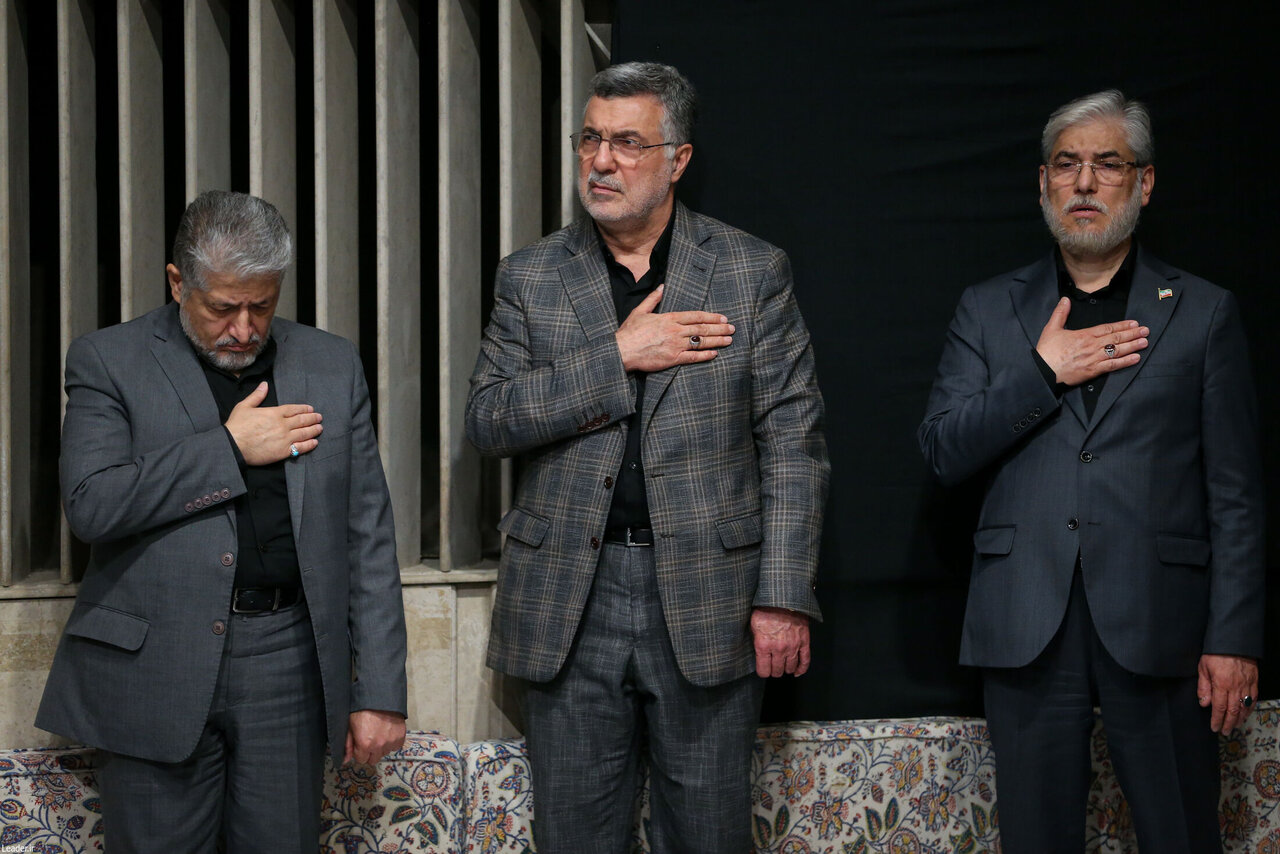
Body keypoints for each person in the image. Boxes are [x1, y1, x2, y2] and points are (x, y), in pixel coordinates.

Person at [466, 61, 828, 853]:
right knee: (575, 838)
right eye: (590, 139)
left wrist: (782, 595)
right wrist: (617, 355)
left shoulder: (750, 271)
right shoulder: (531, 276)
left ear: (678, 159)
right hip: (570, 600)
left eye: (627, 143)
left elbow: (793, 443)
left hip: (709, 597)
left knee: (707, 835)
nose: (601, 161)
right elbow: (490, 420)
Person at [919, 90, 1264, 852]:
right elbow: (943, 450)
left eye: (1107, 164)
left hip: (1163, 622)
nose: (1083, 182)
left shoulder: (1204, 312)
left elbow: (1235, 495)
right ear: (1042, 181)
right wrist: (1042, 374)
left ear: (1144, 182)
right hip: (1025, 621)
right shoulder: (987, 309)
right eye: (1066, 164)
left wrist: (1234, 637)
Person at [37, 190, 408, 852]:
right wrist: (229, 448)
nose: (243, 328)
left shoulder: (330, 363)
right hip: (153, 664)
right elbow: (92, 503)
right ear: (178, 283)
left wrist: (379, 690)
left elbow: (369, 537)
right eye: (221, 308)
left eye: (260, 306)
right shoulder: (108, 360)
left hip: (287, 660)